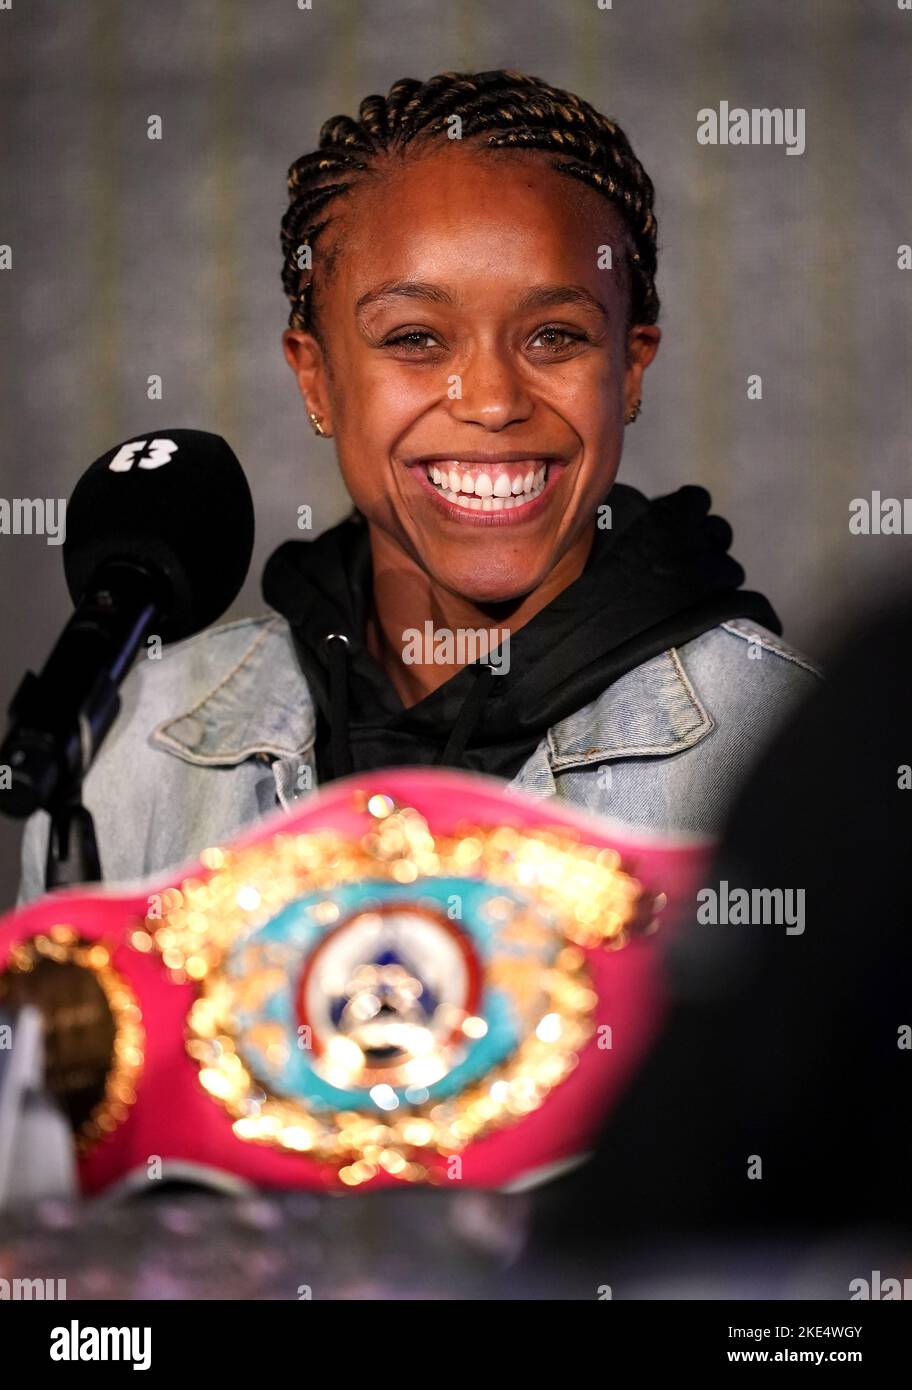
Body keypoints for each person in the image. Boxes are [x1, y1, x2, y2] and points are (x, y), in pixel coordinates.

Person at [18, 69, 818, 901]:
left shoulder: (794, 750)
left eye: (554, 335)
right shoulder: (128, 748)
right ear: (317, 378)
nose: (496, 401)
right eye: (414, 337)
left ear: (630, 368)